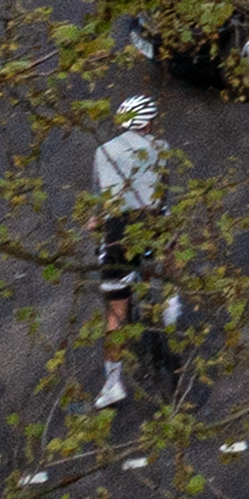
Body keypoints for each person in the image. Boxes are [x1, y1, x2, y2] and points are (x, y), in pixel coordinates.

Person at [92, 93, 172, 407]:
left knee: (115, 313)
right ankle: (169, 303)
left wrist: (96, 220)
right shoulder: (162, 149)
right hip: (151, 227)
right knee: (166, 256)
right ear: (147, 122)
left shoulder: (102, 152)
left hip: (117, 234)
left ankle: (113, 383)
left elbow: (100, 198)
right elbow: (163, 194)